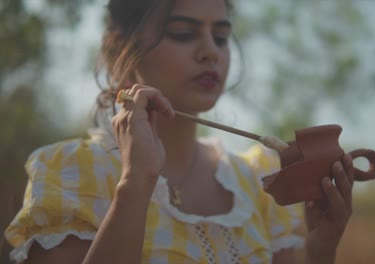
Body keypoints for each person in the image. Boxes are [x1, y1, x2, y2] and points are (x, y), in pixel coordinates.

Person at [4, 0, 355, 263]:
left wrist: (321, 247)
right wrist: (135, 183)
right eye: (183, 33)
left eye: (220, 37)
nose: (210, 52)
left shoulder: (256, 182)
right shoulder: (72, 172)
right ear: (119, 49)